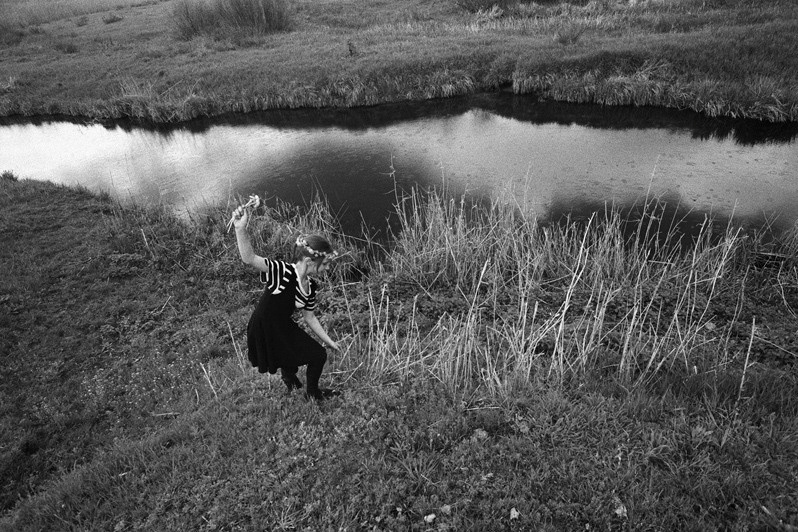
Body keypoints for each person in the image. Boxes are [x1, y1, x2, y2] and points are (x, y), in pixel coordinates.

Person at [231, 195, 340, 401]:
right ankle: (313, 394)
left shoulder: (311, 286)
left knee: (302, 351)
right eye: (324, 264)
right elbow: (249, 258)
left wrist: (329, 341)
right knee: (318, 355)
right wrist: (240, 229)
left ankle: (290, 379)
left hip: (282, 325)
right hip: (264, 325)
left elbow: (310, 318)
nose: (326, 269)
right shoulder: (282, 270)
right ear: (309, 261)